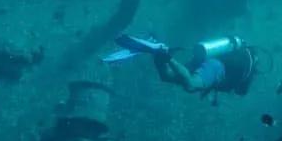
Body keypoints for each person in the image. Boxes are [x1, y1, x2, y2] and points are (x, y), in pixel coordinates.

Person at [103, 34, 257, 97]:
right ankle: (167, 56)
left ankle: (159, 52)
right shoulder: (248, 69)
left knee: (167, 76)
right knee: (190, 84)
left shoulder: (238, 53)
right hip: (216, 67)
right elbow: (241, 91)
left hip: (207, 61)